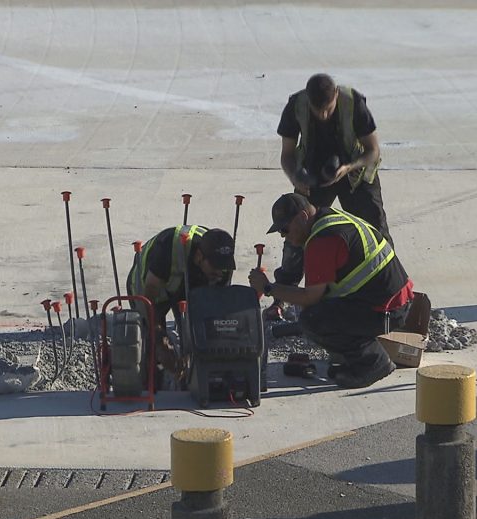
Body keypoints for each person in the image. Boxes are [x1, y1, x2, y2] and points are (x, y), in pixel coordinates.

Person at [249, 193, 413, 389]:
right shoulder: (329, 219)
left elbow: (310, 297)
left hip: (387, 312)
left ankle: (372, 362)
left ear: (302, 217)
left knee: (312, 319)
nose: (284, 236)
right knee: (321, 309)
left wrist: (268, 288)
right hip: (394, 301)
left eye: (285, 229)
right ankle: (351, 360)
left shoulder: (322, 241)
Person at [267, 73, 393, 321]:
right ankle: (281, 298)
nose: (323, 115)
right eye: (318, 111)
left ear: (336, 96)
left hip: (354, 174)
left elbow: (373, 150)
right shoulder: (296, 106)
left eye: (327, 110)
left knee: (377, 232)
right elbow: (287, 154)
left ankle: (387, 294)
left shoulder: (353, 103)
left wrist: (348, 168)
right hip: (312, 175)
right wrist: (296, 179)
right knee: (295, 232)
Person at [126, 225, 236, 378]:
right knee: (151, 345)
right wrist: (160, 342)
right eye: (215, 267)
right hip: (148, 288)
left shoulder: (222, 267)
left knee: (199, 336)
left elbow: (216, 312)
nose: (219, 273)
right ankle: (152, 382)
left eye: (223, 268)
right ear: (199, 256)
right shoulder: (168, 250)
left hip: (187, 285)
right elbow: (148, 298)